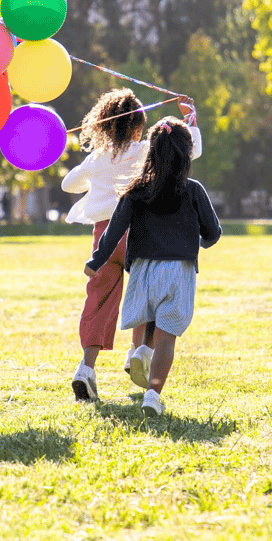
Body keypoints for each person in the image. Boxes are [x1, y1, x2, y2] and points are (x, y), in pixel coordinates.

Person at [63, 89, 201, 402]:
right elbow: (190, 151)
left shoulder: (97, 158)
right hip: (138, 234)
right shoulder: (145, 151)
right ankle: (138, 352)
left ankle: (86, 368)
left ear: (105, 127)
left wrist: (95, 172)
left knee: (98, 301)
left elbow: (67, 184)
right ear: (139, 126)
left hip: (103, 239)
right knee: (148, 296)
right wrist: (190, 119)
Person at [84, 117, 221, 417]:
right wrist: (194, 240)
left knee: (150, 321)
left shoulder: (135, 190)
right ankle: (152, 395)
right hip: (178, 272)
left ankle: (141, 353)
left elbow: (113, 231)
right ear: (186, 154)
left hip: (143, 271)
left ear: (151, 152)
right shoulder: (194, 190)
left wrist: (96, 260)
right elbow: (213, 233)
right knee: (166, 339)